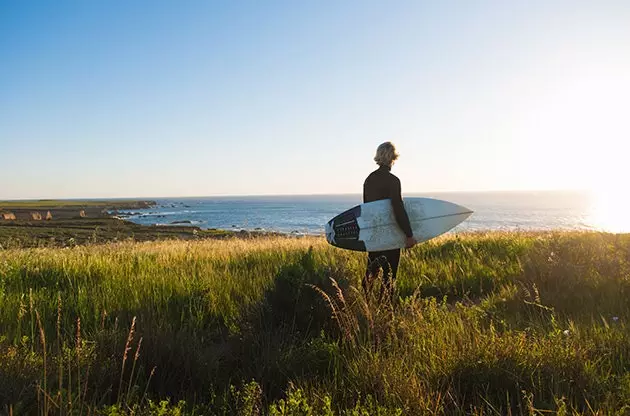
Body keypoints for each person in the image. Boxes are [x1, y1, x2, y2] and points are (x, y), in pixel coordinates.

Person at [362, 141, 417, 300]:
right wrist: (408, 234)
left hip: (375, 233)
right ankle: (385, 311)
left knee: (371, 271)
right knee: (389, 275)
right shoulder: (393, 180)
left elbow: (367, 209)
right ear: (393, 158)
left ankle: (365, 306)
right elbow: (398, 208)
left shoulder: (369, 179)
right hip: (391, 233)